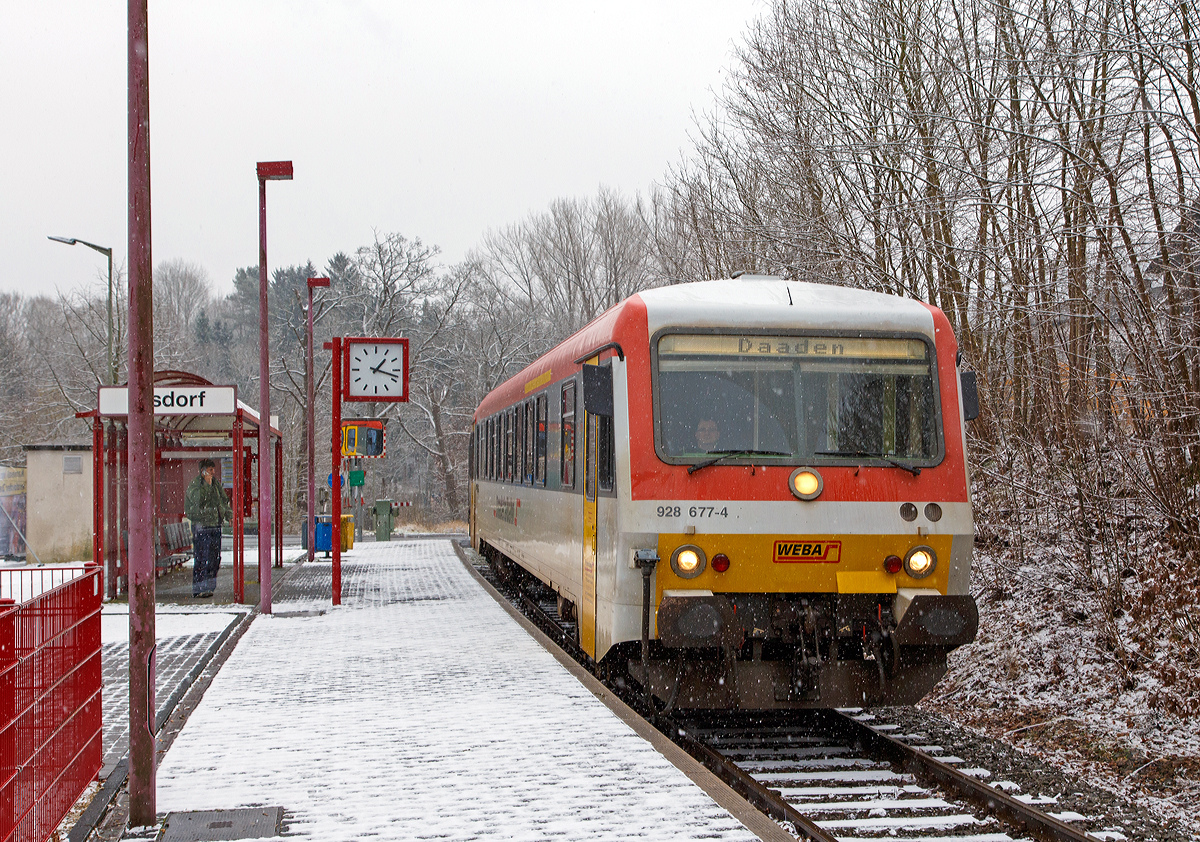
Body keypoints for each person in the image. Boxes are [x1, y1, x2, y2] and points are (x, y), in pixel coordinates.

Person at [184, 458, 232, 598]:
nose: (213, 472)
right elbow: (198, 500)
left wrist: (228, 515)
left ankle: (209, 587)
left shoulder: (216, 484)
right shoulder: (195, 485)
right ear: (203, 471)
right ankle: (200, 587)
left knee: (214, 558)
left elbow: (223, 501)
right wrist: (206, 484)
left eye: (213, 469)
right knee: (202, 557)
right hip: (201, 526)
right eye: (210, 470)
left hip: (215, 525)